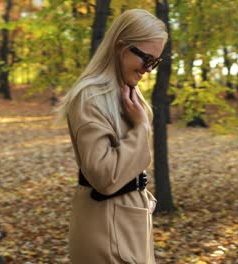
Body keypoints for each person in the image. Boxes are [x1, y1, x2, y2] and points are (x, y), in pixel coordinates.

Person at [56, 9, 167, 264]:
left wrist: (141, 197)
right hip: (108, 228)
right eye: (146, 59)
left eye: (155, 62)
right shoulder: (90, 97)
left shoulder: (127, 91)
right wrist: (140, 128)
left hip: (127, 220)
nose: (148, 69)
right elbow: (104, 176)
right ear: (120, 46)